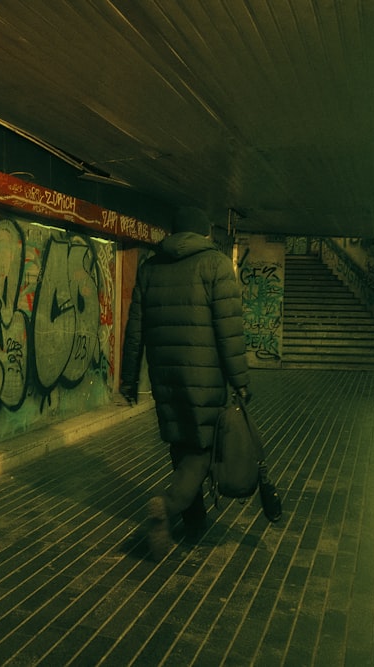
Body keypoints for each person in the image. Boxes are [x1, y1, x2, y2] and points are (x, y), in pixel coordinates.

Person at [119, 206, 281, 560]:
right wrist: (240, 380)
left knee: (180, 443)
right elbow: (229, 331)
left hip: (165, 376)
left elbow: (135, 330)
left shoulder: (150, 268)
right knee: (203, 450)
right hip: (205, 378)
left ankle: (195, 523)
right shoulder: (216, 265)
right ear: (204, 233)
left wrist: (129, 378)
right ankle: (168, 505)